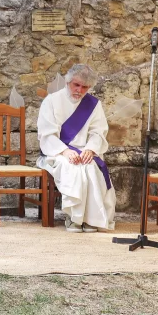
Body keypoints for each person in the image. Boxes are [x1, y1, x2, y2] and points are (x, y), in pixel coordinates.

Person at [37, 64, 116, 232]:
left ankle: (90, 219)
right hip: (57, 152)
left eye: (85, 87)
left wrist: (91, 149)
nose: (79, 90)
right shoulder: (51, 101)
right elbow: (47, 134)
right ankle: (74, 218)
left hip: (84, 151)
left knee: (91, 167)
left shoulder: (93, 105)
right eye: (76, 85)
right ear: (68, 82)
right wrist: (64, 151)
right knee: (71, 166)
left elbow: (98, 132)